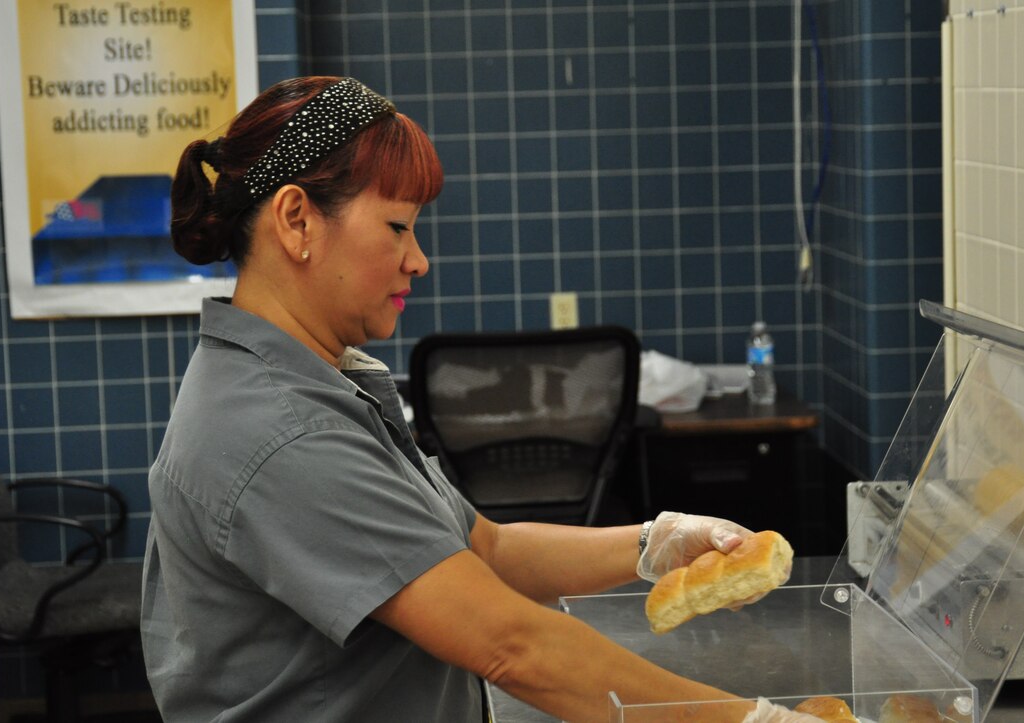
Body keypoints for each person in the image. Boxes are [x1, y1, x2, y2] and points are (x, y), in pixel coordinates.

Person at [141, 76, 822, 723]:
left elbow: (483, 547)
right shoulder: (279, 432)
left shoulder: (325, 381)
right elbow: (509, 642)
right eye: (398, 227)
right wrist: (747, 716)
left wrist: (652, 543)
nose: (419, 260)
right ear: (297, 220)